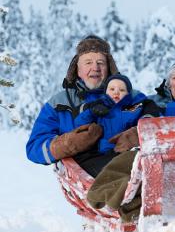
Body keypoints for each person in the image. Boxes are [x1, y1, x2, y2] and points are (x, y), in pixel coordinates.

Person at [86, 58, 175, 220]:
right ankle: (109, 196)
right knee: (129, 163)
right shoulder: (154, 101)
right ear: (168, 82)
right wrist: (107, 107)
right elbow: (130, 105)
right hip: (156, 156)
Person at [26, 35, 120, 176]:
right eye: (88, 62)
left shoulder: (125, 97)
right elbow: (34, 148)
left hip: (126, 169)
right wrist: (67, 144)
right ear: (77, 69)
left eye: (101, 62)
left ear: (109, 68)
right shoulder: (58, 103)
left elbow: (151, 120)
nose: (95, 68)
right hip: (82, 179)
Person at [74, 74, 145, 155]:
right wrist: (91, 112)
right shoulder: (100, 107)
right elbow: (79, 124)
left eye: (122, 90)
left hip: (127, 150)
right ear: (105, 92)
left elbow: (146, 118)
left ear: (128, 94)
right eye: (112, 89)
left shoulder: (133, 108)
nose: (116, 92)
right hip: (103, 152)